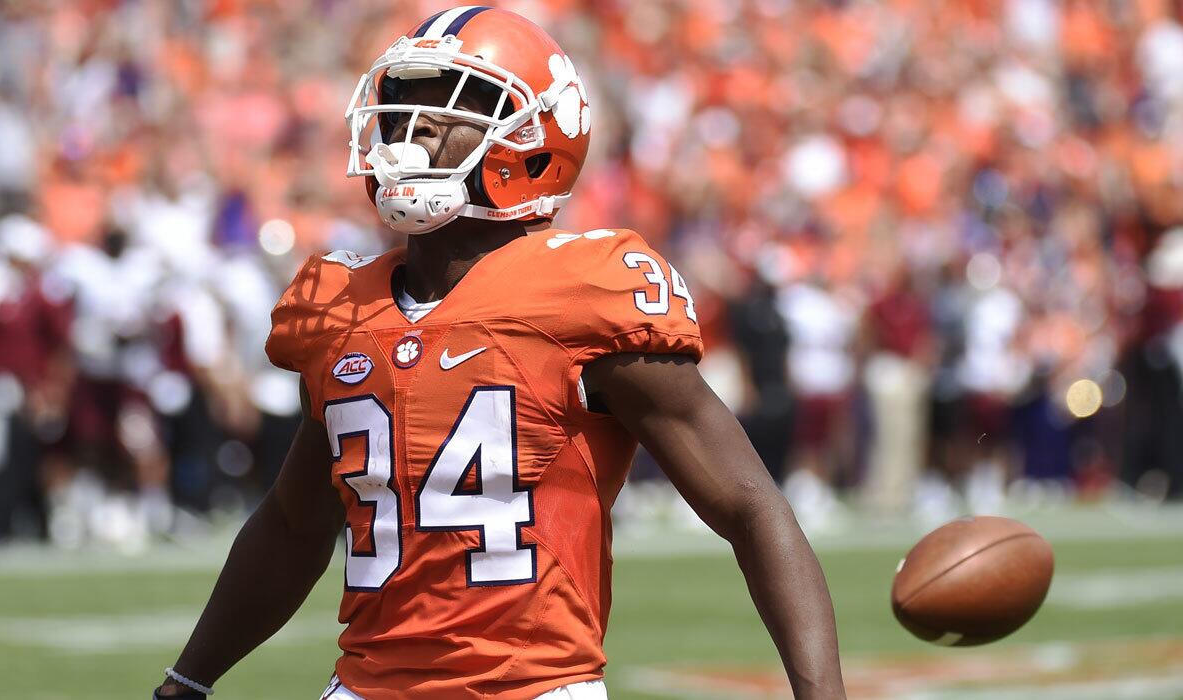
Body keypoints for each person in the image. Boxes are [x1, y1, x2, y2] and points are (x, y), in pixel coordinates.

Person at [155, 8, 845, 700]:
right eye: (403, 102)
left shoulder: (583, 291)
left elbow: (752, 507)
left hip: (532, 688)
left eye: (450, 102)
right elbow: (293, 522)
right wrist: (187, 681)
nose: (411, 125)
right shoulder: (341, 307)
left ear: (532, 139)